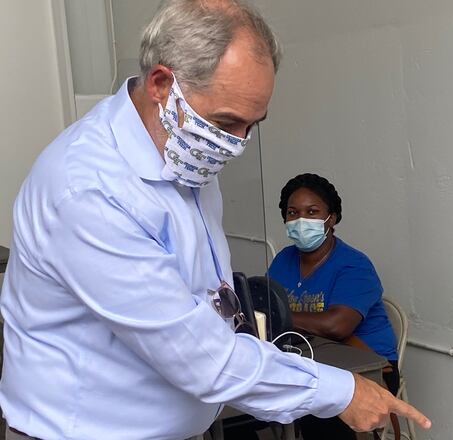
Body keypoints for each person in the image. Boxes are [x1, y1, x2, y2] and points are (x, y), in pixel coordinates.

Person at [0, 1, 430, 439]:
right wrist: (341, 393)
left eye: (252, 125)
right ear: (162, 85)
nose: (237, 144)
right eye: (226, 122)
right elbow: (200, 359)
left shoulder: (187, 154)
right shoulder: (89, 190)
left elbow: (207, 303)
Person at [268, 173, 400, 439]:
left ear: (332, 218)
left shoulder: (354, 265)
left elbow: (337, 326)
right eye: (293, 213)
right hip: (306, 358)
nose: (301, 220)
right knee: (245, 403)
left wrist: (279, 315)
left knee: (318, 410)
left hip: (366, 367)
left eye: (312, 212)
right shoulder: (283, 260)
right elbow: (265, 306)